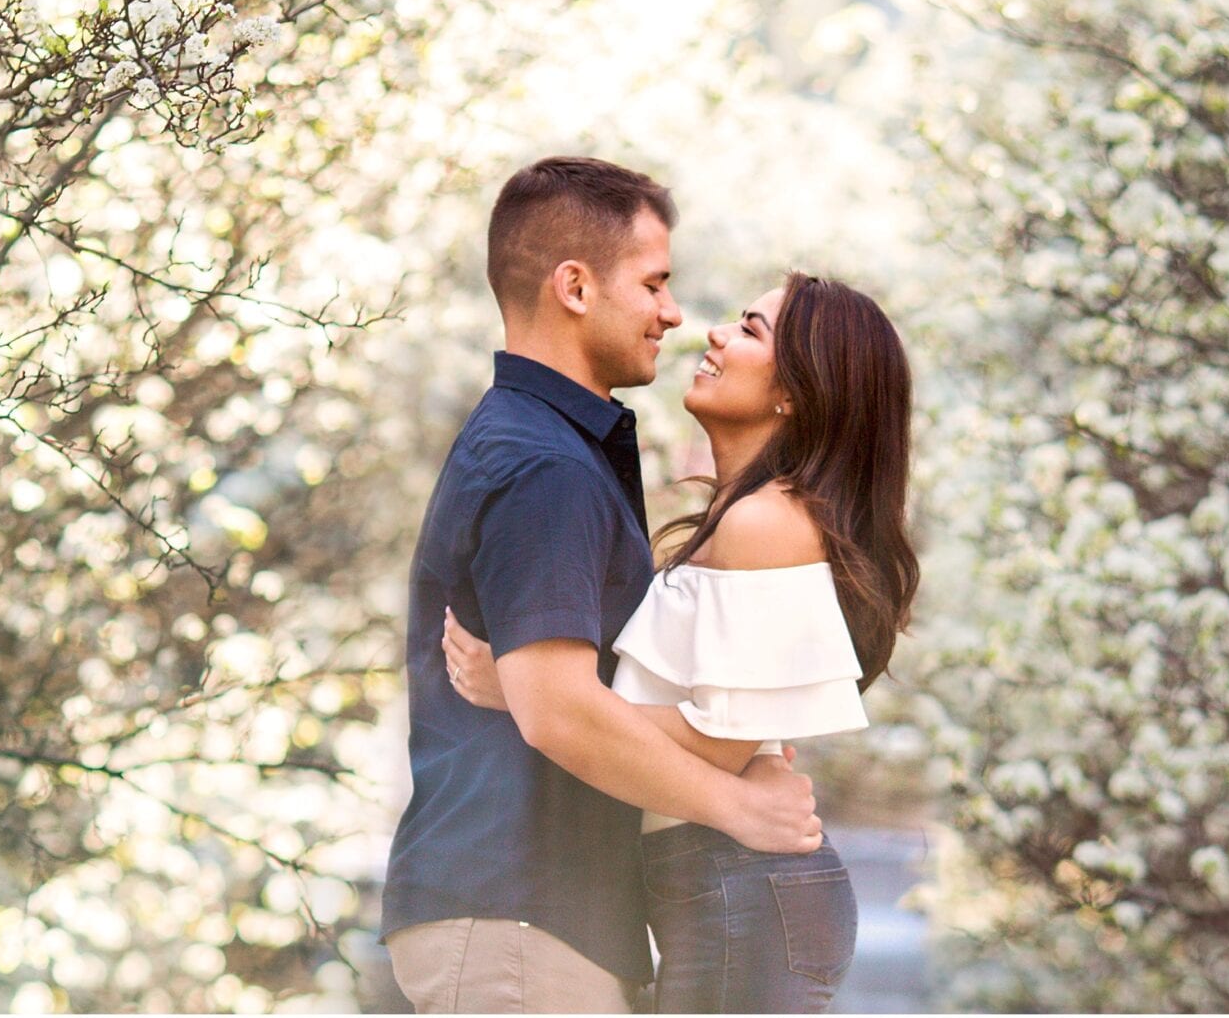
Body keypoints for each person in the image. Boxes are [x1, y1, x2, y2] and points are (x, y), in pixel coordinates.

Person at [380, 158, 826, 1015]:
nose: (673, 312)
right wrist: (740, 804)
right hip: (518, 916)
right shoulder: (546, 466)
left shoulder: (551, 448)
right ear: (575, 287)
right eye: (654, 282)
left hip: (537, 918)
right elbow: (558, 709)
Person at [444, 271, 920, 1014]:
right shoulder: (744, 516)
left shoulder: (767, 522)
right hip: (718, 882)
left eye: (752, 330)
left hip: (741, 887)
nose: (715, 335)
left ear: (799, 390)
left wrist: (529, 691)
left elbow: (722, 740)